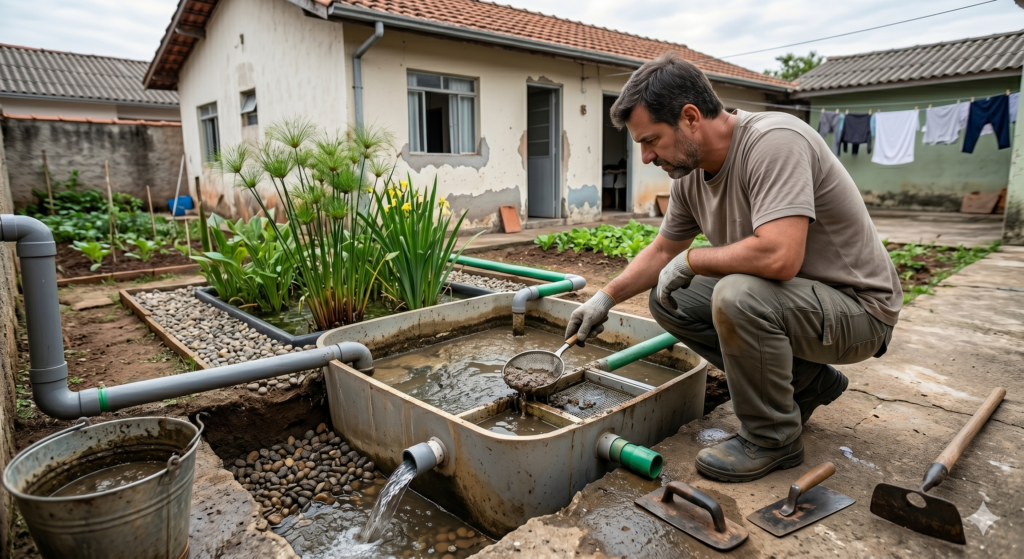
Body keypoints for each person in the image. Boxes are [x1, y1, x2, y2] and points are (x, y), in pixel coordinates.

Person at [565, 55, 902, 483]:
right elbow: (665, 248)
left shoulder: (774, 141)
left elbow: (780, 257)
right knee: (671, 299)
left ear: (690, 118)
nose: (646, 157)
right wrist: (605, 297)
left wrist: (693, 259)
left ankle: (772, 438)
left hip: (859, 311)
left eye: (651, 140)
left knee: (737, 294)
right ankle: (810, 384)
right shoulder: (688, 176)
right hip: (801, 304)